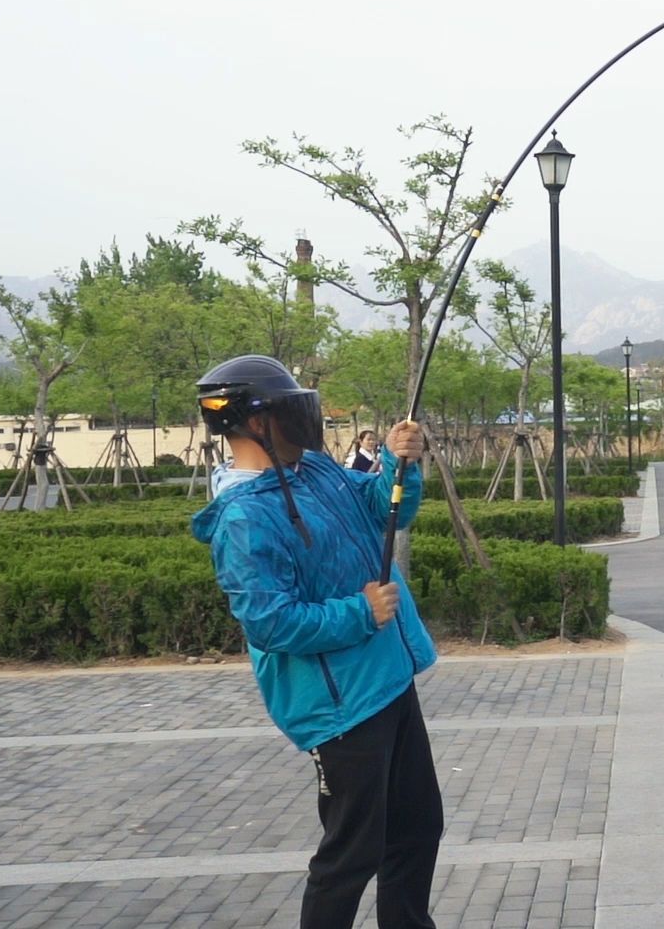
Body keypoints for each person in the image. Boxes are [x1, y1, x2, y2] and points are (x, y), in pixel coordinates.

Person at [190, 355, 442, 929]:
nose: (307, 417)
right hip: (339, 705)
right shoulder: (243, 518)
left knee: (417, 828)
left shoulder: (316, 470)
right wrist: (359, 612)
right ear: (256, 422)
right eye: (291, 407)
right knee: (351, 855)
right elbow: (270, 623)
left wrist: (398, 464)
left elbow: (384, 512)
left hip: (387, 679)